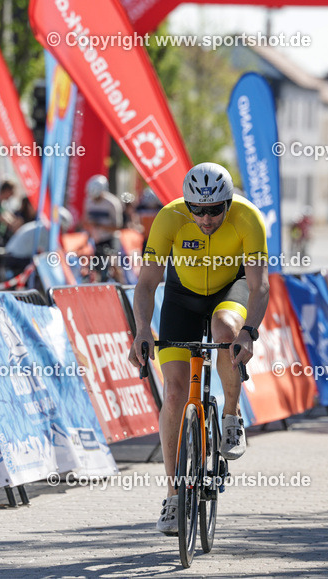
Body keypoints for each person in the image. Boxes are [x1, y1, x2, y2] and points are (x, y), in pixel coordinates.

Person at [128, 162, 269, 536]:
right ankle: (174, 495)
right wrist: (142, 329)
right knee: (173, 394)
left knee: (225, 329)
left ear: (228, 202)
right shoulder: (170, 217)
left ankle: (231, 416)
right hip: (182, 297)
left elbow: (259, 286)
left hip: (230, 290)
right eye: (198, 210)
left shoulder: (248, 218)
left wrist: (248, 334)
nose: (206, 219)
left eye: (214, 210)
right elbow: (145, 285)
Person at [2, 208, 74, 276]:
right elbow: (50, 254)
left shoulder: (43, 226)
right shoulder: (46, 231)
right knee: (43, 267)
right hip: (14, 259)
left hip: (12, 255)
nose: (63, 232)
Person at [83, 175, 123, 282]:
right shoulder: (88, 202)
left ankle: (122, 285)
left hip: (110, 238)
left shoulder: (112, 203)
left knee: (113, 263)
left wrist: (100, 226)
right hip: (96, 240)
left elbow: (118, 227)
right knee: (96, 267)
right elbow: (85, 221)